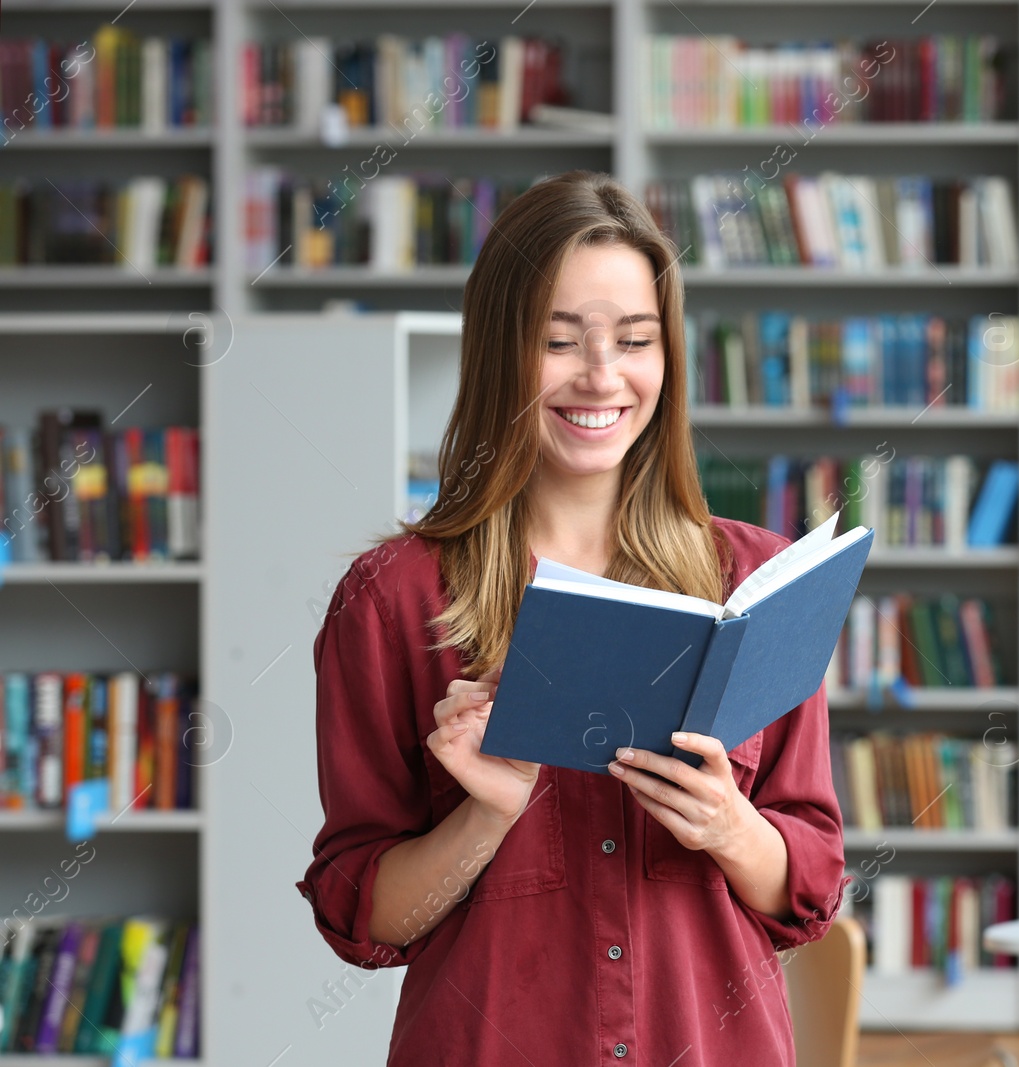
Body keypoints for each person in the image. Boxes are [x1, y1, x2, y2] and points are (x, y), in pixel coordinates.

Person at [296, 171, 847, 1066]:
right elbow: (363, 916)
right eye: (559, 341)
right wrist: (482, 819)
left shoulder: (758, 578)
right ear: (498, 352)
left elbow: (811, 883)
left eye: (635, 340)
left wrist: (729, 826)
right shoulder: (393, 599)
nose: (602, 376)